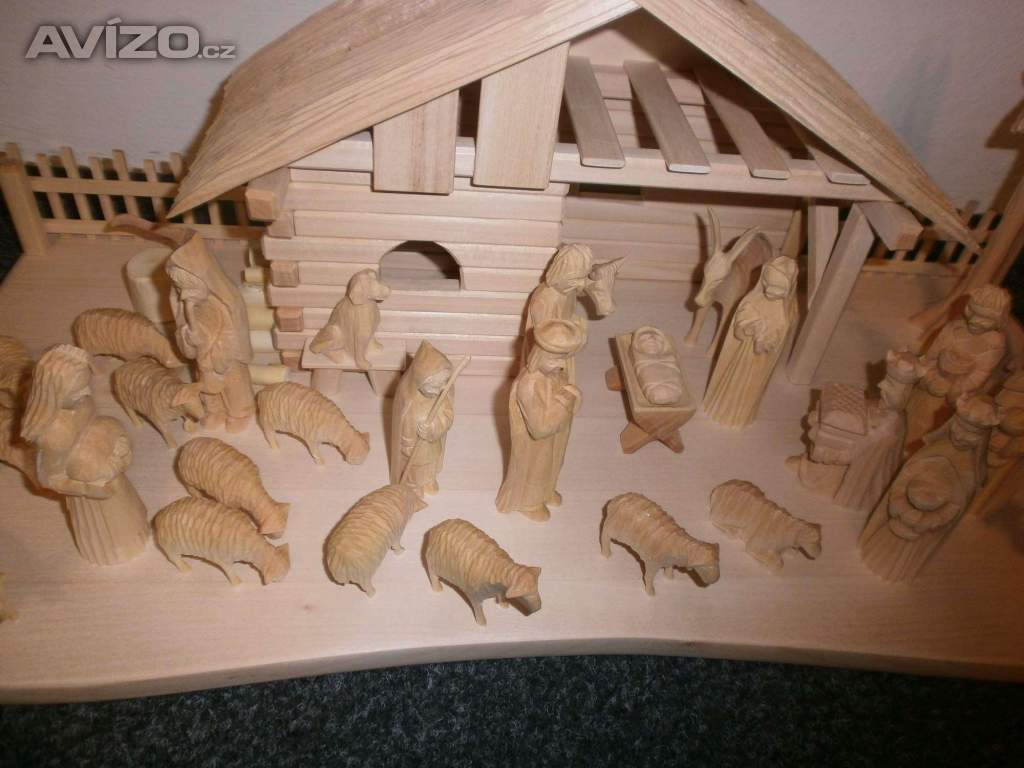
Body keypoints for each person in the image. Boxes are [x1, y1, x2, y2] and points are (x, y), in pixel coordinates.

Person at [20, 345, 149, 566]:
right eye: (77, 391)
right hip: (92, 493)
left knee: (128, 516)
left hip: (106, 467)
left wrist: (116, 444)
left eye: (86, 387)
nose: (85, 394)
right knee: (112, 533)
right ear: (56, 393)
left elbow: (95, 428)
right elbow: (50, 478)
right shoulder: (53, 434)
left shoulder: (81, 402)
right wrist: (88, 488)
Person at [859, 394, 999, 582]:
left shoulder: (970, 472)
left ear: (982, 438)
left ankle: (897, 569)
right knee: (880, 548)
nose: (960, 436)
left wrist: (929, 520)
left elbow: (955, 507)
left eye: (971, 434)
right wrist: (900, 504)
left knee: (900, 557)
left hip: (922, 528)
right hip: (900, 514)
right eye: (959, 427)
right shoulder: (932, 451)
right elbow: (904, 479)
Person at [789, 349, 921, 512]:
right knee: (823, 431)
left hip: (854, 456)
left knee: (823, 446)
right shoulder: (881, 405)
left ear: (905, 394)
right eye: (886, 380)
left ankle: (813, 476)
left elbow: (861, 450)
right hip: (848, 443)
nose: (881, 385)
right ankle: (811, 463)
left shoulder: (890, 425)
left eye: (891, 386)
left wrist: (833, 445)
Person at [497, 319, 585, 522]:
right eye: (554, 360)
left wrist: (571, 396)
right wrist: (565, 401)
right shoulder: (528, 385)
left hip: (556, 434)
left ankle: (546, 490)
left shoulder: (554, 373)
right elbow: (539, 428)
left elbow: (565, 393)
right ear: (539, 355)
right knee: (537, 468)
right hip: (535, 444)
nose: (561, 365)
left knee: (555, 461)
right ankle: (529, 502)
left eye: (564, 358)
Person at [167, 230, 255, 432]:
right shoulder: (184, 307)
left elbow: (232, 333)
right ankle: (215, 411)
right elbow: (183, 330)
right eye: (179, 288)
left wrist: (213, 350)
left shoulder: (224, 304)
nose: (183, 294)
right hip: (203, 359)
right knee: (206, 386)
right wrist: (187, 337)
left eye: (188, 287)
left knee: (234, 385)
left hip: (224, 358)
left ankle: (239, 412)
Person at [904, 284, 1009, 450]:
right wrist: (929, 377)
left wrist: (953, 390)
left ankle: (913, 448)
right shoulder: (952, 329)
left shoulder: (995, 343)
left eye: (985, 318)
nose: (975, 320)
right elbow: (931, 356)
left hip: (951, 397)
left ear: (999, 320)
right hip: (928, 387)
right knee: (910, 415)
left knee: (931, 426)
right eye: (972, 312)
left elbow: (980, 374)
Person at [703, 256, 798, 428]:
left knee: (747, 388)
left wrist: (764, 337)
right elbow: (740, 325)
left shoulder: (787, 313)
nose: (770, 291)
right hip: (740, 355)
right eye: (767, 284)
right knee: (731, 381)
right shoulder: (753, 299)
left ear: (789, 288)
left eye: (778, 288)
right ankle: (719, 408)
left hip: (757, 364)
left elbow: (775, 342)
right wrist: (748, 325)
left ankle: (738, 415)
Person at [390, 342, 455, 497]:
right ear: (419, 380)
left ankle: (428, 480)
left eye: (443, 384)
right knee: (415, 469)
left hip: (432, 444)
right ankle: (413, 486)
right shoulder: (408, 401)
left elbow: (447, 416)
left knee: (430, 465)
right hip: (414, 449)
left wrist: (433, 428)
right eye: (433, 386)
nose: (439, 390)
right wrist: (407, 445)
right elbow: (403, 425)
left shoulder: (442, 397)